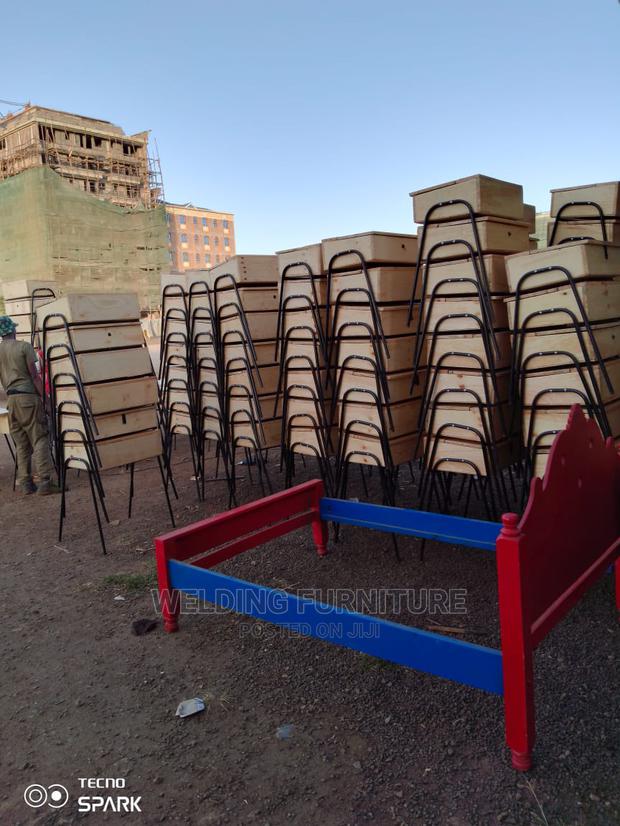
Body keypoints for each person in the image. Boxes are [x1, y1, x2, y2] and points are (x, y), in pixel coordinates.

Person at [0, 316, 60, 494]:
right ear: (13, 330)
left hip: (11, 400)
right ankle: (44, 482)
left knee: (21, 442)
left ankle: (25, 482)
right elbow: (34, 376)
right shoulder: (23, 347)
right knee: (40, 437)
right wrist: (47, 400)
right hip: (28, 398)